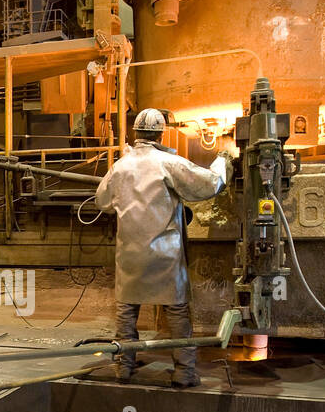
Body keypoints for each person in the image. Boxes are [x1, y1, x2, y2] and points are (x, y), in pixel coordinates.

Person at [95, 108, 229, 387]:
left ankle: (124, 367)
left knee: (127, 313)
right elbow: (210, 184)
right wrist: (223, 159)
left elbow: (102, 201)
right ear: (160, 133)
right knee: (177, 313)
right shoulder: (168, 162)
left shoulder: (121, 166)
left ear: (136, 134)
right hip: (164, 256)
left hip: (130, 255)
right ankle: (184, 372)